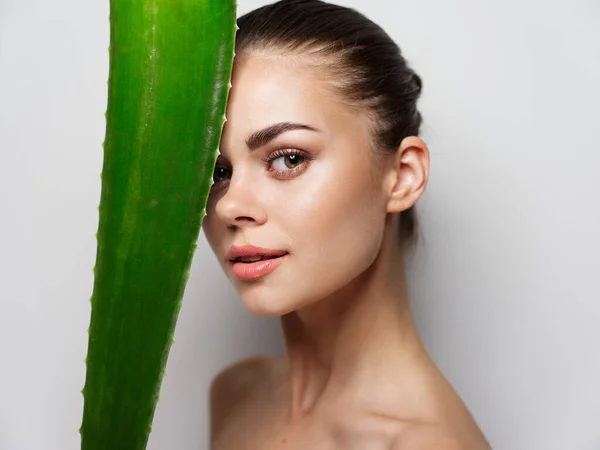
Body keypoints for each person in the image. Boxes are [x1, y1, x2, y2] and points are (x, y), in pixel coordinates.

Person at [202, 0, 491, 448]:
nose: (228, 206)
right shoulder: (237, 393)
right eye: (218, 172)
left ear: (403, 177)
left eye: (288, 158)